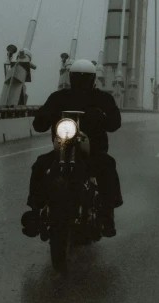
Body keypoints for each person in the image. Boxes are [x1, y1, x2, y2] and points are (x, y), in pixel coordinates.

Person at [21, 59, 122, 238]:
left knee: (107, 166)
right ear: (71, 78)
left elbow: (115, 123)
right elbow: (39, 123)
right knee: (40, 165)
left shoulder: (103, 99)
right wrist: (45, 116)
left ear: (92, 79)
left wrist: (100, 117)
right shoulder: (59, 98)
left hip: (93, 151)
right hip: (63, 148)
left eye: (85, 78)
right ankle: (35, 212)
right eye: (78, 78)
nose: (81, 82)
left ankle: (107, 215)